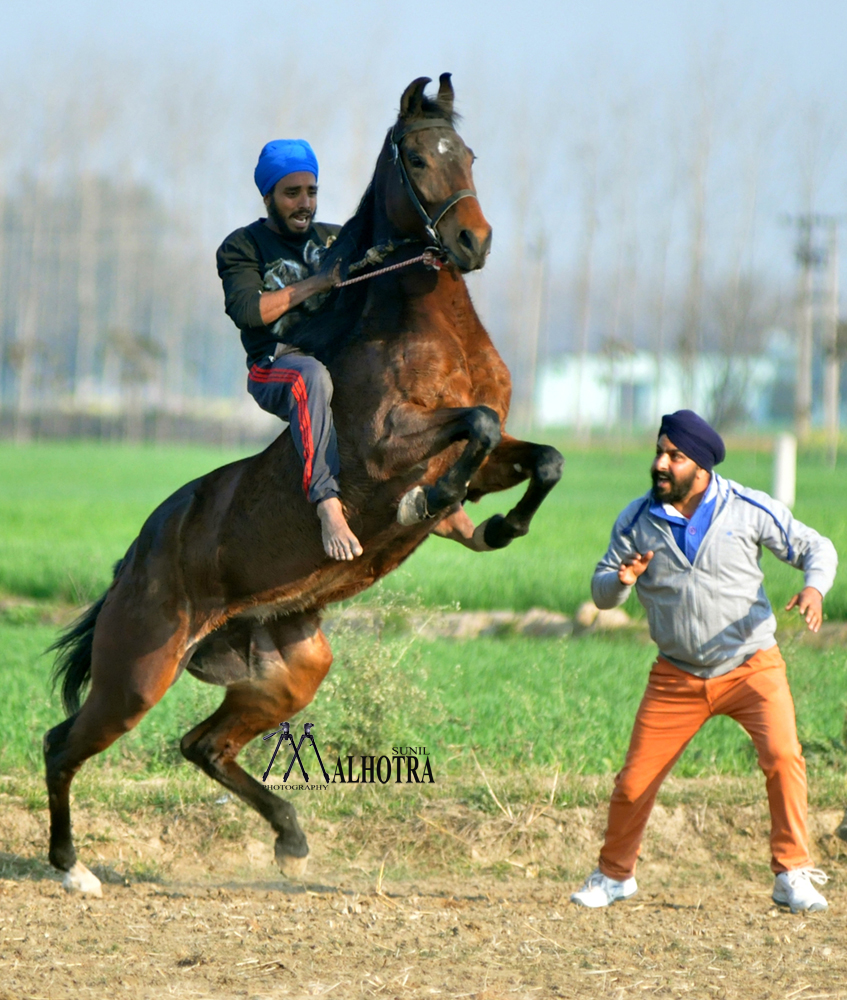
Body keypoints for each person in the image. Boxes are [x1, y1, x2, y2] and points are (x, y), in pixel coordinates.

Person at [570, 410, 838, 913]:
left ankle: (792, 874)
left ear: (701, 466)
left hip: (751, 665)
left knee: (783, 758)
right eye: (659, 452)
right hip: (676, 673)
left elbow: (815, 547)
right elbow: (600, 590)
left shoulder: (747, 508)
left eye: (675, 456)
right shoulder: (636, 519)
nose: (660, 464)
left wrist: (813, 588)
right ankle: (614, 876)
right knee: (633, 783)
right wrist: (621, 582)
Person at [216, 139, 363, 561]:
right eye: (292, 193)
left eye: (311, 192)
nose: (305, 203)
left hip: (335, 361)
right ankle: (327, 505)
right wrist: (317, 283)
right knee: (310, 376)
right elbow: (248, 311)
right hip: (275, 367)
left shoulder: (336, 239)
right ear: (268, 197)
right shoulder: (241, 247)